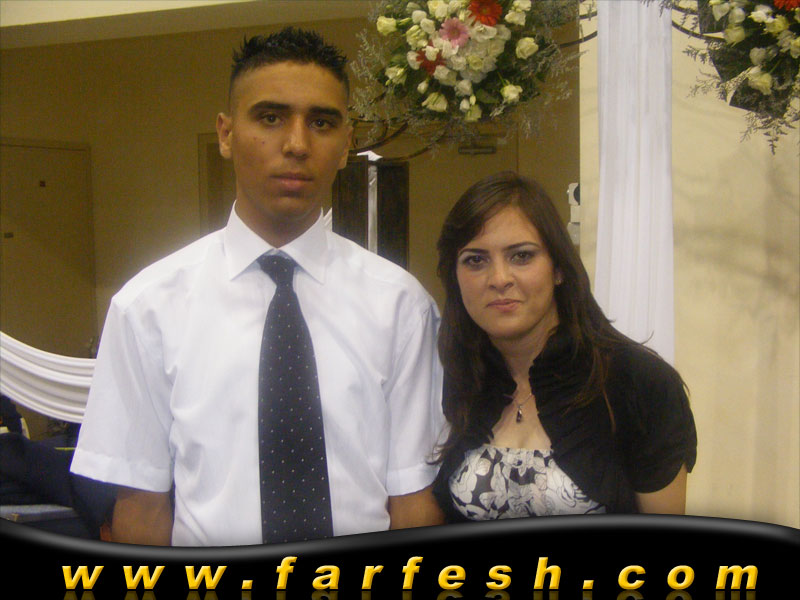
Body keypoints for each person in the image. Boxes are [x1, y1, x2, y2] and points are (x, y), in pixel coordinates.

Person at [71, 28, 445, 546]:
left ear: (346, 144)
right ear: (226, 134)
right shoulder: (147, 308)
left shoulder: (401, 305)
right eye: (270, 118)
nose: (296, 144)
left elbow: (411, 498)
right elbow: (141, 506)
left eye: (321, 122)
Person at [432, 171, 697, 521]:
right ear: (455, 276)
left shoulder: (639, 383)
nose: (499, 279)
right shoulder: (453, 377)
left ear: (558, 268)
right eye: (475, 260)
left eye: (521, 256)